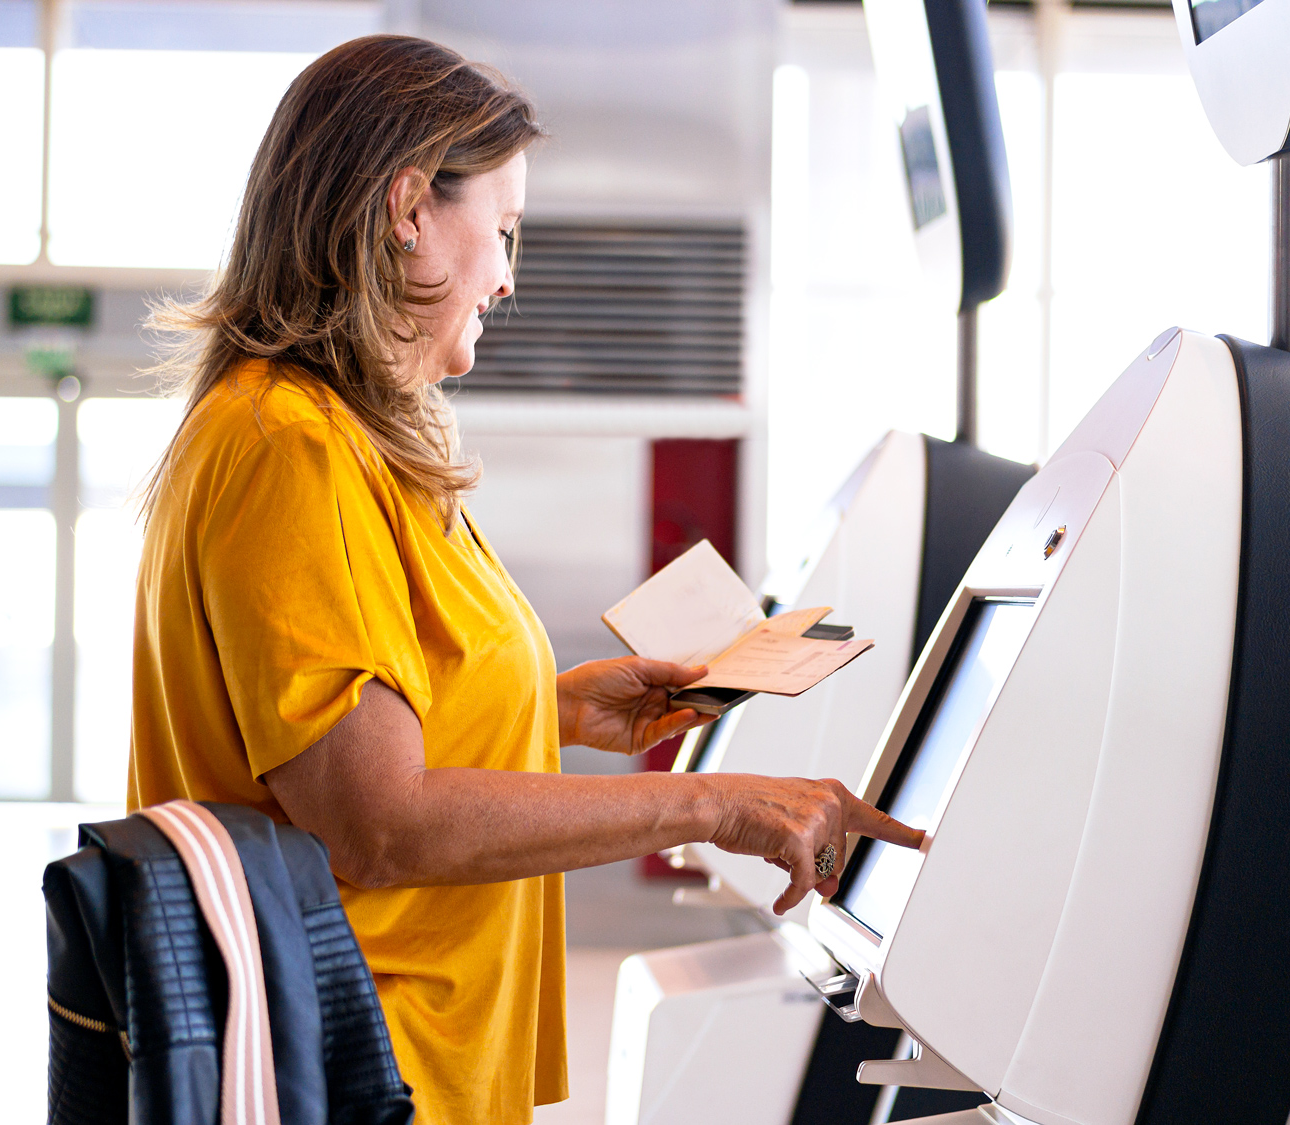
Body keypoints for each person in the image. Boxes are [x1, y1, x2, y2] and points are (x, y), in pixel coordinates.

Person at [129, 34, 923, 1125]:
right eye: (500, 232)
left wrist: (550, 708)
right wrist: (713, 805)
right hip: (359, 1063)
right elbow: (377, 823)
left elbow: (358, 728)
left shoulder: (353, 444)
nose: (508, 277)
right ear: (409, 208)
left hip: (422, 1055)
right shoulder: (286, 444)